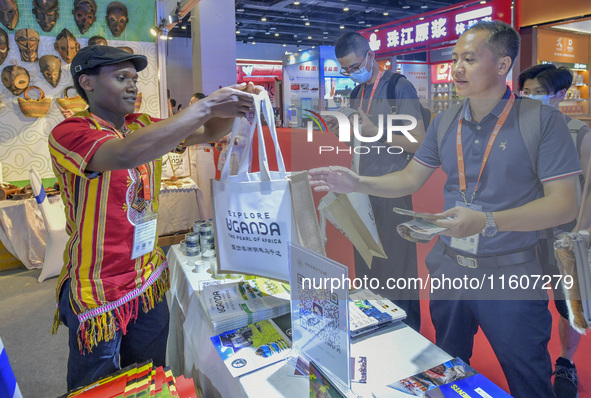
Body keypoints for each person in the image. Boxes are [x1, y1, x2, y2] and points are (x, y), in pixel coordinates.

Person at [309, 21, 581, 398]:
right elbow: (409, 178)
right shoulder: (447, 120)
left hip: (509, 274)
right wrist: (358, 184)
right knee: (448, 372)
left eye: (469, 59)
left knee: (528, 378)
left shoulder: (542, 122)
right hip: (449, 269)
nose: (455, 69)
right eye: (454, 58)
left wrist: (487, 221)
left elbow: (564, 203)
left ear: (503, 65)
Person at [48, 45, 258, 391]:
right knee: (98, 386)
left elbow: (208, 133)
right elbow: (126, 153)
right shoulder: (71, 132)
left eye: (134, 78)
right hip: (97, 287)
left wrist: (237, 105)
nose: (133, 86)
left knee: (149, 374)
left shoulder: (142, 124)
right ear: (86, 82)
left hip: (146, 276)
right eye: (121, 78)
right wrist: (204, 105)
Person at [331, 32, 427, 331]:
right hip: (362, 189)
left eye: (356, 65)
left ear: (371, 55)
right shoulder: (356, 93)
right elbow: (359, 144)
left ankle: (407, 330)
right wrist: (341, 132)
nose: (352, 73)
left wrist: (379, 132)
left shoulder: (399, 87)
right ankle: (375, 322)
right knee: (368, 262)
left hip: (393, 190)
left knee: (397, 267)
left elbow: (419, 142)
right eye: (346, 69)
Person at [518, 64, 591, 398]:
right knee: (524, 302)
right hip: (524, 235)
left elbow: (587, 190)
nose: (529, 98)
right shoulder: (517, 132)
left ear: (560, 95)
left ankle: (566, 362)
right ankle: (529, 359)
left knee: (567, 306)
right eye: (525, 92)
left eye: (537, 92)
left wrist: (578, 235)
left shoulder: (579, 134)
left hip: (564, 237)